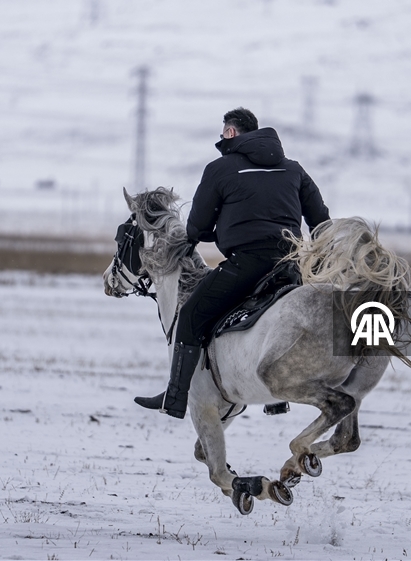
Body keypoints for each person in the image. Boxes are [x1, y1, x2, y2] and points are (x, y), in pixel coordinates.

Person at [135, 108, 331, 418]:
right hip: (291, 268)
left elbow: (196, 227)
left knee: (190, 315)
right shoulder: (294, 170)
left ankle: (174, 397)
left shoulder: (220, 169)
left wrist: (215, 233)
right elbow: (321, 220)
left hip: (248, 265)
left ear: (230, 133)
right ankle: (276, 397)